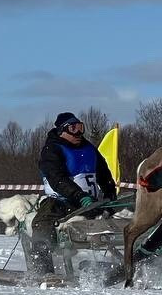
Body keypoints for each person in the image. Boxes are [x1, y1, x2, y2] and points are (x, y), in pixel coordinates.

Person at [29, 112, 117, 279]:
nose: (79, 133)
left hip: (91, 204)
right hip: (59, 203)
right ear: (62, 131)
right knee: (41, 226)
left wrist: (110, 192)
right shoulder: (52, 150)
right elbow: (57, 179)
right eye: (73, 128)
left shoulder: (89, 148)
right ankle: (43, 271)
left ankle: (132, 260)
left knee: (123, 221)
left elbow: (104, 173)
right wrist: (79, 196)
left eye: (80, 127)